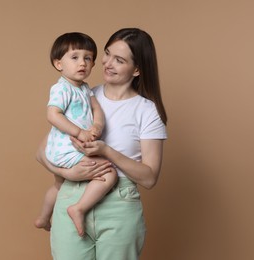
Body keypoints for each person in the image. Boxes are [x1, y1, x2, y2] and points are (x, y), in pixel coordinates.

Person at [36, 28, 168, 260]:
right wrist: (69, 173)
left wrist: (106, 151)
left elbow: (149, 178)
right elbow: (41, 153)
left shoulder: (146, 111)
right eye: (107, 54)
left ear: (136, 69)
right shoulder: (81, 94)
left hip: (119, 204)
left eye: (119, 60)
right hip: (71, 196)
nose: (107, 63)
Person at [34, 32, 118, 237]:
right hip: (67, 147)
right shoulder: (61, 88)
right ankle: (78, 208)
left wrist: (97, 126)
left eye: (88, 58)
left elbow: (97, 110)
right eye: (75, 57)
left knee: (59, 184)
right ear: (58, 64)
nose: (82, 63)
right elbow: (53, 115)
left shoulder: (85, 88)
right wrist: (80, 132)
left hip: (63, 147)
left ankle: (44, 218)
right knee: (109, 174)